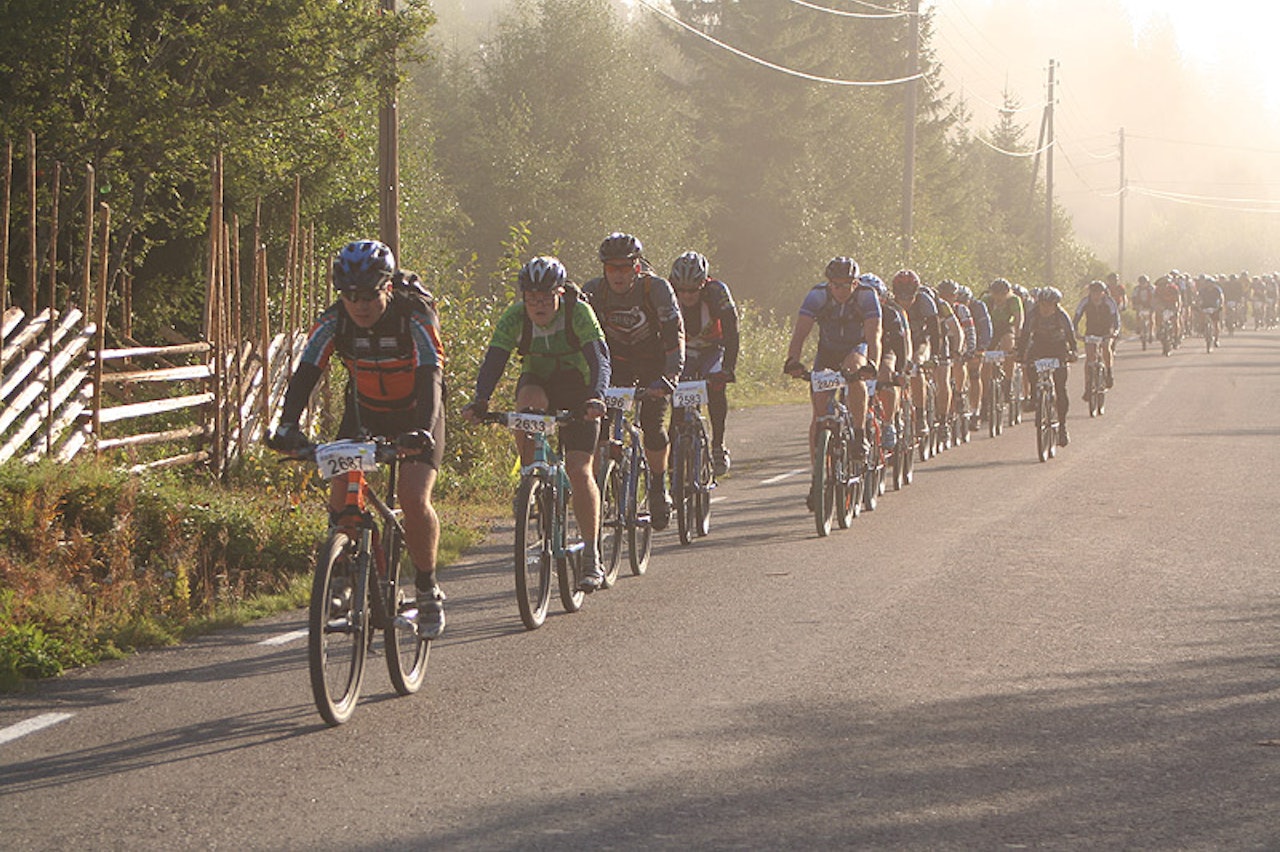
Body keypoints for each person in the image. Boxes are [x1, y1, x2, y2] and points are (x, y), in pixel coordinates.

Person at [269, 239, 448, 639]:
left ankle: (426, 587)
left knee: (414, 497)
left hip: (419, 410)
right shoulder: (334, 321)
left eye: (369, 295)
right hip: (365, 410)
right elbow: (307, 371)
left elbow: (431, 375)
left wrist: (420, 430)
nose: (360, 305)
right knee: (343, 484)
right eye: (350, 296)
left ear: (387, 288)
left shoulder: (414, 316)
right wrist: (286, 426)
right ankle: (344, 572)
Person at [462, 256, 612, 592]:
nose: (538, 305)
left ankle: (592, 553)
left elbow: (599, 358)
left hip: (579, 387)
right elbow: (494, 360)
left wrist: (597, 397)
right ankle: (530, 472)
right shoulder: (515, 318)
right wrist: (481, 400)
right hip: (540, 382)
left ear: (559, 293)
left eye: (545, 298)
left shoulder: (578, 313)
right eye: (531, 299)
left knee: (579, 468)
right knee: (527, 402)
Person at [583, 233, 685, 532]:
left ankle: (657, 486)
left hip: (654, 363)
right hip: (614, 365)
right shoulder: (594, 292)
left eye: (625, 267)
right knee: (598, 429)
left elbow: (674, 334)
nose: (618, 274)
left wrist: (670, 376)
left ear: (637, 267)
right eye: (612, 268)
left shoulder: (657, 289)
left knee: (652, 426)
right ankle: (600, 491)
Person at [784, 257, 881, 507]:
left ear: (855, 283)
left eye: (846, 285)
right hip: (827, 351)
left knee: (854, 371)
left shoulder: (867, 296)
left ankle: (859, 434)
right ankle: (817, 478)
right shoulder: (817, 296)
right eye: (835, 285)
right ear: (829, 283)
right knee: (819, 414)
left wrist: (873, 364)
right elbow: (801, 331)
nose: (840, 290)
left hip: (855, 348)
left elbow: (874, 334)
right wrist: (792, 360)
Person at [670, 250, 739, 476]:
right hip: (684, 350)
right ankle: (674, 457)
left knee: (716, 387)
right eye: (682, 290)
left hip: (713, 348)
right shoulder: (666, 292)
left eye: (693, 290)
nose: (687, 295)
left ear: (704, 283)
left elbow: (731, 330)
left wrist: (729, 367)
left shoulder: (717, 292)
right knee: (678, 402)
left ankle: (717, 445)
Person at [1017, 286, 1078, 446]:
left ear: (1055, 305)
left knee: (1060, 387)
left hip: (1058, 348)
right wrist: (1020, 354)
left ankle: (1063, 427)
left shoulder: (1062, 316)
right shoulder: (1033, 315)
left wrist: (1073, 352)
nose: (1045, 308)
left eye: (1049, 305)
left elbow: (1071, 337)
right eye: (1043, 304)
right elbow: (1025, 335)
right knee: (1030, 366)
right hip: (1040, 346)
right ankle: (1034, 396)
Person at [862, 272, 911, 450]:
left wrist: (900, 371)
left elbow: (900, 344)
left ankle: (888, 423)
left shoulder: (891, 314)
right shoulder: (852, 310)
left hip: (887, 350)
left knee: (886, 374)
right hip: (861, 351)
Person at [1072, 280, 1120, 395]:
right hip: (1091, 331)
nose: (1096, 295)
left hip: (1106, 330)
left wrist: (1116, 331)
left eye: (1099, 292)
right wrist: (1076, 331)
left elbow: (1116, 319)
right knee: (1089, 358)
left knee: (1106, 347)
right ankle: (1088, 385)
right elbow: (1076, 317)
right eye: (1093, 292)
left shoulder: (1109, 302)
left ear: (1103, 293)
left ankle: (1108, 372)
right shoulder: (1085, 302)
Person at [957, 285, 992, 429]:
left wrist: (981, 348)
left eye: (965, 301)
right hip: (958, 343)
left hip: (975, 341)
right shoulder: (953, 309)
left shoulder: (978, 307)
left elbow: (986, 329)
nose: (962, 304)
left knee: (974, 373)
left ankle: (975, 412)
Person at [1194, 274, 1224, 348]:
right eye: (1207, 283)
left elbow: (1221, 298)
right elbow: (1198, 298)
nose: (1209, 285)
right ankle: (1201, 329)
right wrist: (1197, 305)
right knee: (1201, 318)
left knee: (1216, 324)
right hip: (1205, 307)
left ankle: (1216, 339)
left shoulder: (1217, 289)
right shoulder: (1202, 290)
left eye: (1210, 283)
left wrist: (1221, 305)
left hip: (1215, 307)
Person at [1131, 274, 1155, 344]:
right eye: (1141, 282)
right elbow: (1133, 298)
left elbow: (1154, 297)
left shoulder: (1151, 288)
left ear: (1147, 282)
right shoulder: (1136, 289)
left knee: (1151, 318)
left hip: (1149, 304)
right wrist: (1134, 305)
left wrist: (1153, 305)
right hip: (1140, 304)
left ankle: (1151, 333)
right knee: (1138, 315)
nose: (1143, 284)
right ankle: (1138, 326)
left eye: (1144, 282)